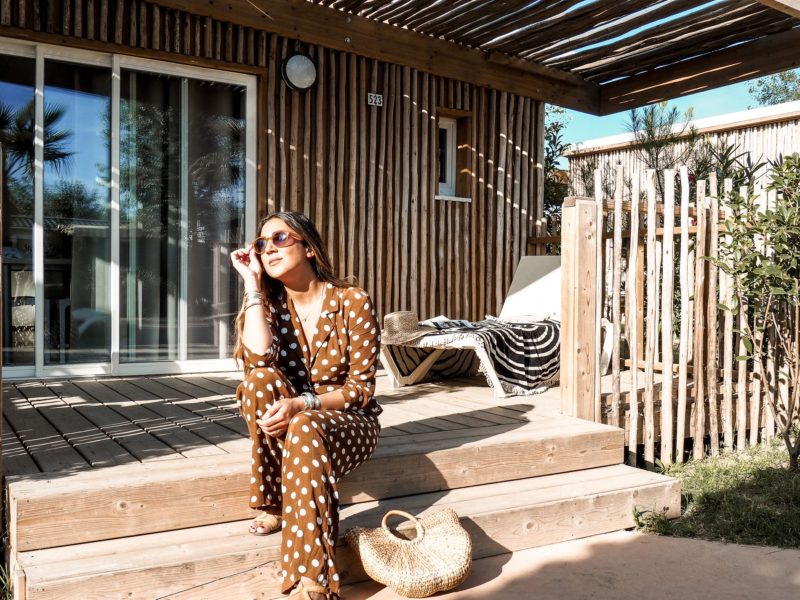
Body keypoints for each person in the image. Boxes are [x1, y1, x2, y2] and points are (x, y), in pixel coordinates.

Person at [230, 211, 382, 600]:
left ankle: (313, 581)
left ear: (309, 247)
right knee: (259, 382)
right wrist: (251, 285)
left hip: (347, 422)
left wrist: (304, 403)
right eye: (261, 244)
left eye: (280, 238)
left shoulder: (352, 301)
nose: (268, 248)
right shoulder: (268, 306)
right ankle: (277, 503)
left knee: (306, 423)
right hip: (292, 426)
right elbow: (258, 361)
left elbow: (361, 389)